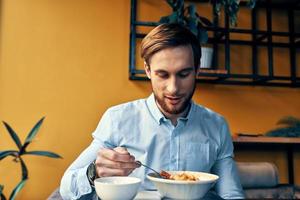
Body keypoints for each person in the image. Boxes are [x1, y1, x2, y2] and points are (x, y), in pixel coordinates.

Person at [60, 23, 244, 200]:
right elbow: (66, 189)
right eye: (162, 75)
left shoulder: (217, 125)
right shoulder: (117, 119)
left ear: (197, 70)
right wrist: (95, 172)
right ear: (148, 70)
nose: (173, 88)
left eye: (183, 74)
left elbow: (231, 195)